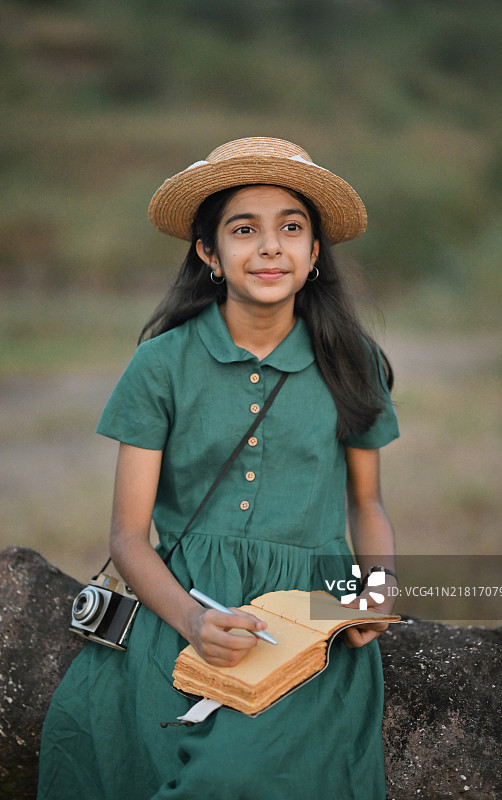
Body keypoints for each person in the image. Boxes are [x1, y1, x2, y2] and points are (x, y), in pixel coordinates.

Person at [37, 137, 399, 800]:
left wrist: (376, 589)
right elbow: (127, 535)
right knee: (108, 752)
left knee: (244, 774)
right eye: (244, 230)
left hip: (311, 608)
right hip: (181, 601)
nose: (270, 247)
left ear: (315, 251)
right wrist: (191, 621)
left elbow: (366, 505)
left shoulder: (354, 362)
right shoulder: (161, 364)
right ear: (209, 253)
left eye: (292, 228)